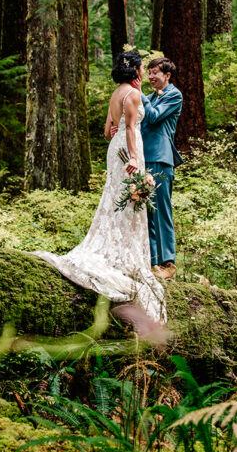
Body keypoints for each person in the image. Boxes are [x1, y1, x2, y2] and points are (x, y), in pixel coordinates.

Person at [31, 50, 167, 329]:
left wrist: (123, 141)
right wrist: (132, 157)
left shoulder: (117, 93)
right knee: (130, 200)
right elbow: (130, 127)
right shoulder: (133, 94)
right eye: (142, 67)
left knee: (117, 198)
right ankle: (124, 256)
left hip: (113, 148)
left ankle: (115, 249)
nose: (144, 71)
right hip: (129, 150)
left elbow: (109, 131)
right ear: (136, 71)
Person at [140, 58, 183, 279]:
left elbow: (154, 117)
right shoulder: (147, 98)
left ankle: (168, 262)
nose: (150, 77)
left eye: (155, 72)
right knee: (147, 210)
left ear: (167, 75)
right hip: (142, 158)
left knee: (161, 210)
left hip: (161, 157)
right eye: (149, 72)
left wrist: (138, 94)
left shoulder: (174, 95)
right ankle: (152, 261)